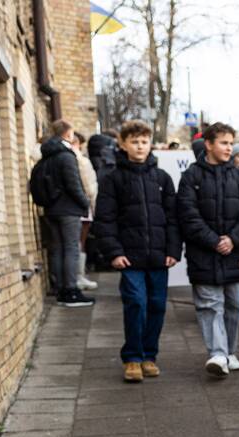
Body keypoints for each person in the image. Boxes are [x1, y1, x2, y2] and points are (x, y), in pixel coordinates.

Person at [95, 120, 180, 383]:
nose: (140, 146)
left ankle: (149, 356)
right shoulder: (113, 179)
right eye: (134, 141)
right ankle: (132, 357)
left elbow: (173, 218)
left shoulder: (162, 178)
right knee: (136, 304)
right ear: (122, 144)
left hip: (158, 257)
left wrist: (173, 249)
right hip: (129, 257)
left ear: (150, 143)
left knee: (157, 306)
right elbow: (105, 219)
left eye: (144, 141)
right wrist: (113, 252)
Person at [177, 122, 239, 377]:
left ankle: (229, 351)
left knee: (234, 304)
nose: (229, 148)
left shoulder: (238, 176)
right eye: (224, 143)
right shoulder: (191, 176)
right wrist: (214, 240)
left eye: (231, 143)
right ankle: (217, 353)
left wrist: (233, 239)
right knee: (209, 305)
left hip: (234, 254)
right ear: (209, 144)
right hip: (204, 254)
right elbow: (188, 215)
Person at [34, 119, 95, 307]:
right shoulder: (66, 156)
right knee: (71, 248)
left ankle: (61, 289)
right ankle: (70, 291)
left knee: (59, 249)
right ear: (68, 134)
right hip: (68, 209)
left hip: (51, 209)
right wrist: (86, 203)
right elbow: (73, 184)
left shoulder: (46, 155)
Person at [71, 130, 99, 291]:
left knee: (73, 243)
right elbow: (89, 186)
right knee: (79, 242)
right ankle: (78, 276)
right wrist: (92, 204)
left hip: (70, 207)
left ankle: (76, 276)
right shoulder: (80, 160)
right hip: (81, 206)